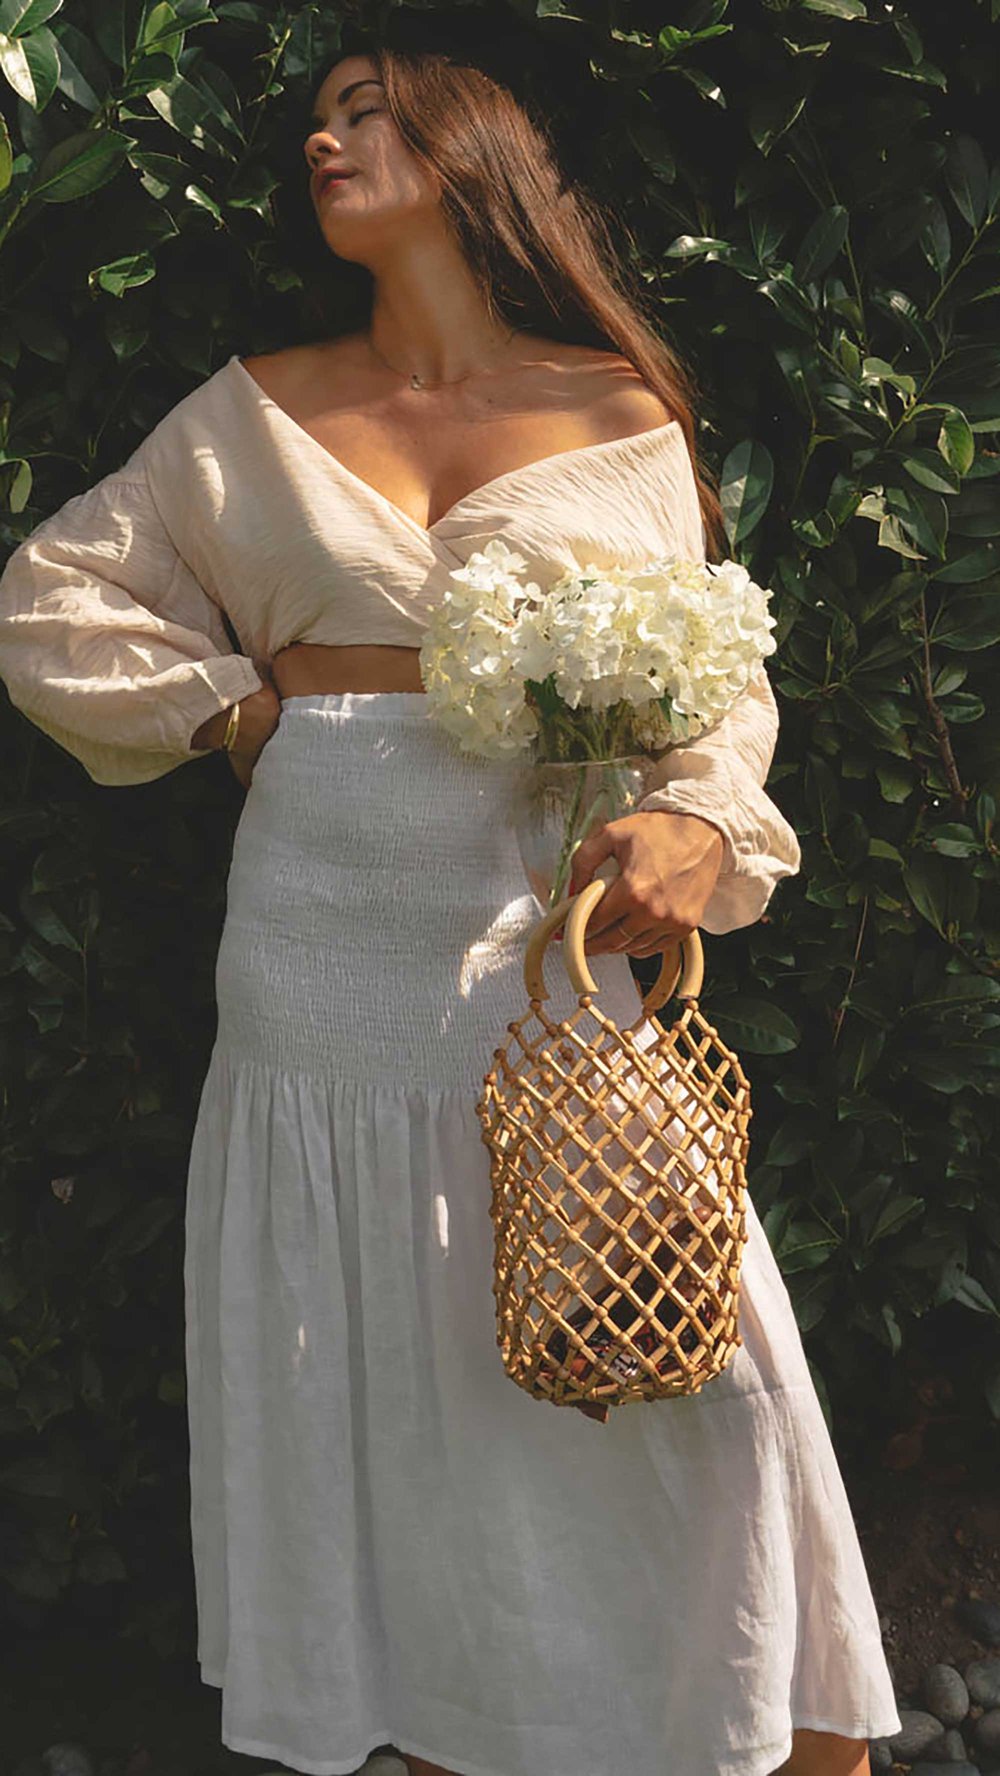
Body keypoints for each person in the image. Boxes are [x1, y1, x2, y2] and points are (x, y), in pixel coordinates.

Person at [0, 37, 900, 1776]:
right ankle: (428, 1729)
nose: (325, 141)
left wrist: (692, 832)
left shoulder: (615, 407)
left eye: (365, 110)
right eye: (311, 124)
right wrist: (240, 708)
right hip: (319, 958)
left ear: (468, 146)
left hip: (544, 945)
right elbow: (48, 598)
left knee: (683, 1364)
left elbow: (716, 695)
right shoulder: (246, 409)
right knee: (374, 1371)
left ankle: (756, 1726)